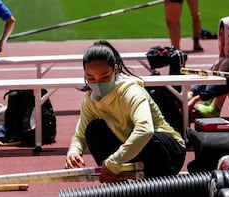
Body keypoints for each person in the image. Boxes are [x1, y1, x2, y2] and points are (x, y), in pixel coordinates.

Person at [65, 40, 186, 183]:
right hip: (134, 151)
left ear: (115, 70)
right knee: (93, 130)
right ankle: (119, 191)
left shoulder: (131, 91)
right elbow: (80, 135)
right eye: (90, 78)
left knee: (146, 138)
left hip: (170, 152)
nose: (97, 83)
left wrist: (114, 162)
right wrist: (74, 151)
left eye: (104, 77)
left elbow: (145, 130)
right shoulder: (90, 100)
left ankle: (155, 190)